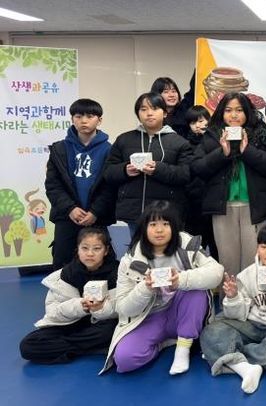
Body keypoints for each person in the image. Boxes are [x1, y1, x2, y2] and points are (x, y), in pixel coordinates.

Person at [101, 201, 223, 375]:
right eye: (153, 224)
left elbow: (217, 272)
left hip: (181, 314)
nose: (159, 230)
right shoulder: (130, 260)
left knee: (195, 289)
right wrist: (145, 289)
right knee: (125, 360)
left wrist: (180, 280)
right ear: (144, 228)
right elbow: (123, 308)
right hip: (149, 317)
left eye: (165, 224)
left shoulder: (186, 244)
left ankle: (183, 348)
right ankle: (163, 342)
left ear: (174, 227)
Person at [199, 224, 266, 394]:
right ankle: (246, 368)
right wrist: (233, 297)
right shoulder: (249, 274)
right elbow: (236, 314)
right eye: (263, 247)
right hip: (251, 323)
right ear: (258, 248)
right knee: (210, 331)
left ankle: (226, 354)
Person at [191, 93, 266, 276]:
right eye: (228, 110)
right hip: (223, 207)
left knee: (253, 260)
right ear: (221, 112)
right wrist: (222, 153)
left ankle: (251, 295)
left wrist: (247, 151)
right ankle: (230, 295)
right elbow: (197, 168)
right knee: (228, 261)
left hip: (255, 207)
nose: (234, 115)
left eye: (239, 110)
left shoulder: (261, 132)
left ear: (247, 112)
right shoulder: (212, 134)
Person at [20, 227, 118, 364]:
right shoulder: (66, 274)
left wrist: (100, 308)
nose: (90, 254)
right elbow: (53, 312)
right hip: (72, 324)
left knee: (109, 331)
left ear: (106, 250)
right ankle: (86, 348)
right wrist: (80, 306)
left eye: (97, 249)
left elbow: (120, 309)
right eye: (84, 248)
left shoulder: (117, 273)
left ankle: (67, 348)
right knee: (28, 346)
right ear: (77, 249)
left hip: (101, 324)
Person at [104, 92, 193, 237]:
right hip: (133, 211)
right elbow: (108, 172)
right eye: (143, 109)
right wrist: (125, 170)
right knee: (137, 249)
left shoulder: (179, 142)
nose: (149, 113)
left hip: (166, 212)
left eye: (155, 108)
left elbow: (185, 174)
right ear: (138, 114)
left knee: (166, 249)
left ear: (165, 113)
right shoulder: (124, 140)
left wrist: (158, 169)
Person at [45, 98, 116, 270]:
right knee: (62, 263)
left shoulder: (110, 150)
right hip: (67, 217)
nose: (84, 121)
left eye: (90, 116)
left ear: (99, 120)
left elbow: (111, 186)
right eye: (78, 116)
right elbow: (53, 186)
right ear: (72, 119)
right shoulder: (59, 149)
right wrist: (70, 208)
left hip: (97, 217)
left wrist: (95, 211)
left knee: (102, 264)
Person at [183, 105, 218, 260]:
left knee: (217, 247)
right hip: (194, 205)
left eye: (201, 120)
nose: (198, 125)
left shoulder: (217, 141)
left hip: (215, 202)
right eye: (193, 122)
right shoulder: (185, 145)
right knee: (195, 249)